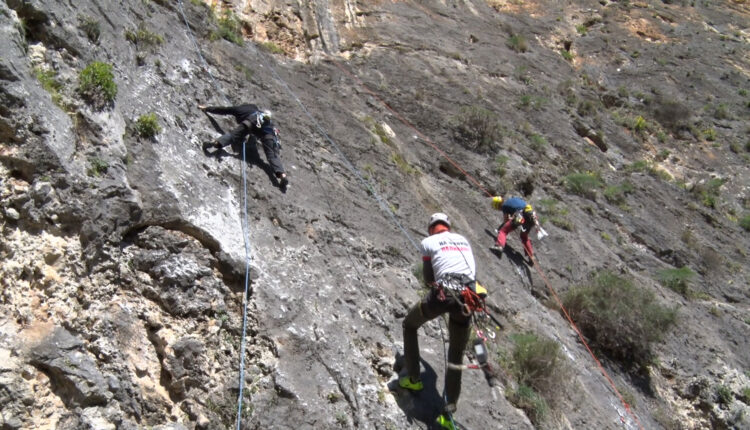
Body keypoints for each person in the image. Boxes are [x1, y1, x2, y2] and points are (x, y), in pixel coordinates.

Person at [400, 213, 477, 429]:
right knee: (455, 356)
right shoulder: (464, 240)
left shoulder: (428, 242)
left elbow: (428, 280)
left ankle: (413, 379)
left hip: (443, 295)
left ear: (431, 227)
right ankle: (448, 415)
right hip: (468, 298)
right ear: (448, 227)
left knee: (409, 325)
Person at [198, 103, 288, 188]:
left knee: (233, 136)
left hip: (249, 124)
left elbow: (223, 110)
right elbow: (255, 135)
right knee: (272, 156)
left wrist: (207, 108)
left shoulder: (240, 109)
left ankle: (216, 143)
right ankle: (282, 175)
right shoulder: (263, 116)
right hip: (268, 135)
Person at [490, 196, 539, 265]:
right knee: (524, 237)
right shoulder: (513, 199)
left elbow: (506, 220)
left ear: (498, 205)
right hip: (531, 216)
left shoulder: (504, 206)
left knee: (503, 231)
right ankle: (531, 256)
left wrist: (500, 228)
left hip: (521, 216)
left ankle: (499, 246)